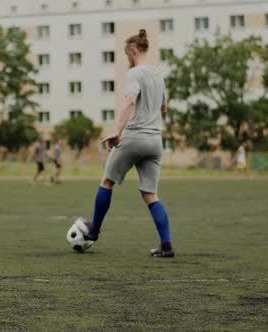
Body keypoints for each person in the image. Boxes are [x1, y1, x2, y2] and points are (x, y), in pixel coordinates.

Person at [79, 29, 174, 257]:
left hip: (135, 137)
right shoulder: (159, 76)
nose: (126, 60)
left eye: (126, 55)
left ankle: (93, 231)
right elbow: (163, 109)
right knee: (151, 195)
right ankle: (166, 245)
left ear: (133, 50)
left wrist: (117, 131)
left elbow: (130, 101)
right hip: (155, 141)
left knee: (107, 182)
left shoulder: (135, 74)